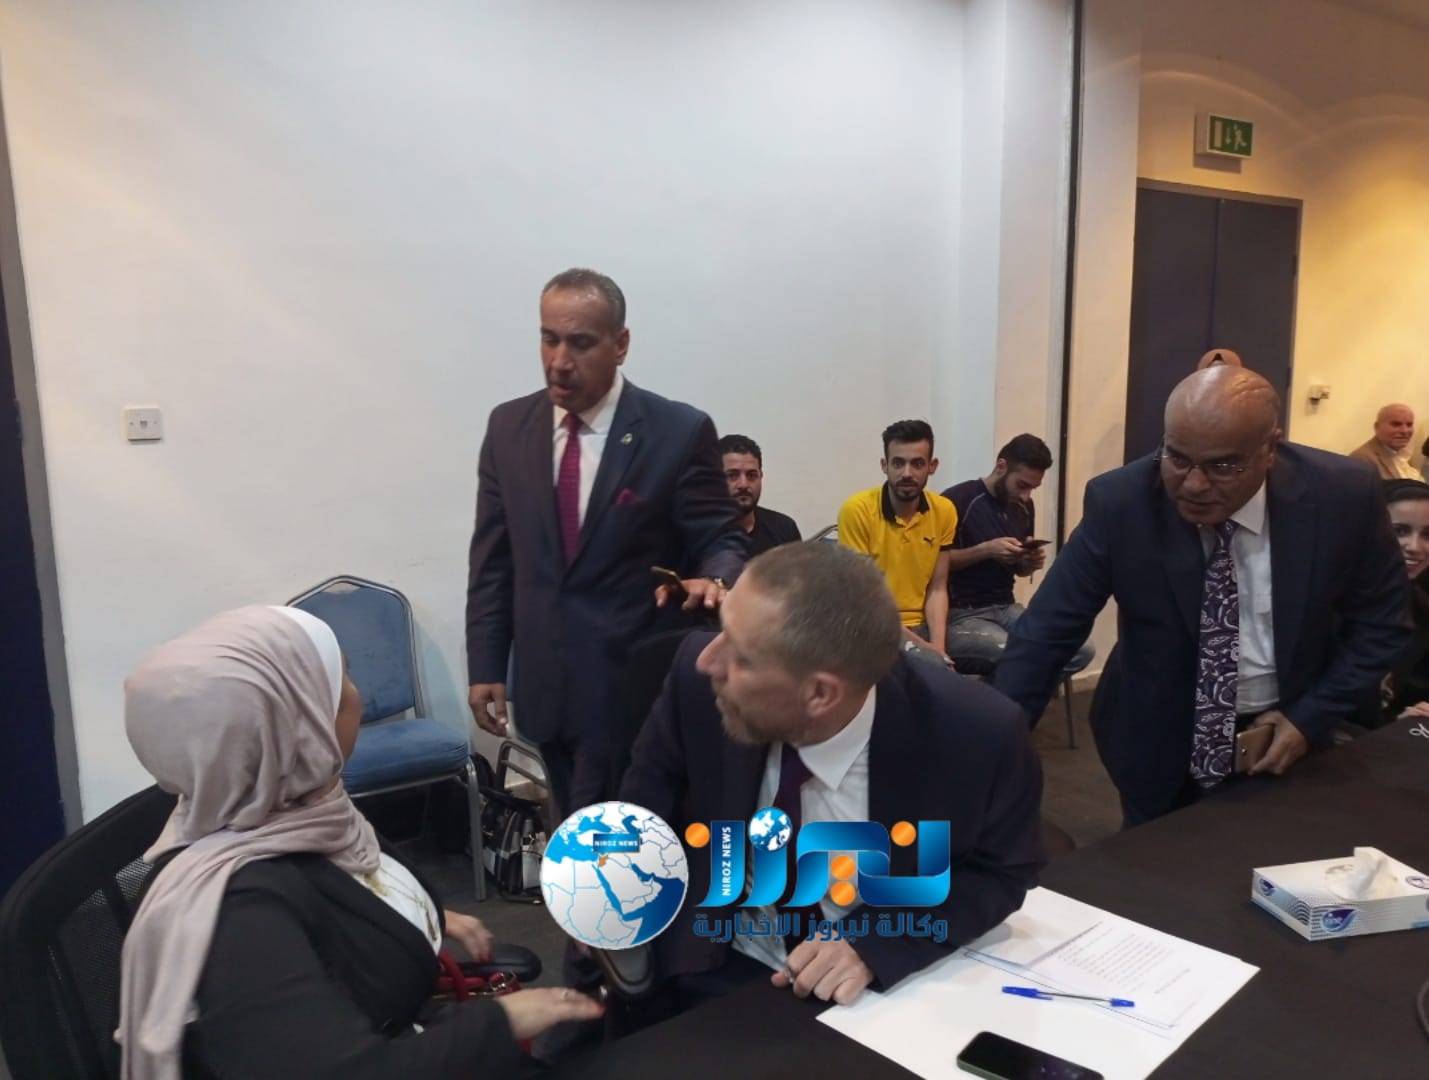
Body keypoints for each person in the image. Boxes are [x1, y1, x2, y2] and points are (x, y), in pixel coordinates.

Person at [117, 606, 601, 1079]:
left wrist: (422, 914)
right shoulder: (239, 915)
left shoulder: (301, 809)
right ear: (299, 724)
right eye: (340, 680)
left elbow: (342, 895)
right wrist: (502, 1020)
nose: (359, 697)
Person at [620, 543, 1043, 1015]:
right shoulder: (696, 681)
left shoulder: (976, 733)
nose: (708, 661)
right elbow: (640, 815)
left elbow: (1001, 872)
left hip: (871, 991)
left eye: (740, 655)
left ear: (820, 694)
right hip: (718, 959)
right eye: (722, 631)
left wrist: (872, 943)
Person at [995, 366, 1410, 826]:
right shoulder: (1122, 503)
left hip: (1290, 739)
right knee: (1155, 863)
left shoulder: (1342, 495)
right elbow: (1046, 634)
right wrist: (991, 750)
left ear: (1270, 448)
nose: (1193, 484)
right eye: (1176, 458)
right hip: (1155, 742)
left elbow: (1383, 625)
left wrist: (1310, 717)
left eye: (1222, 466)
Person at [466, 268, 748, 817]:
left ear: (620, 344)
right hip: (545, 687)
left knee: (626, 838)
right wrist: (486, 664)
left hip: (632, 688)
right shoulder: (508, 428)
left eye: (580, 343)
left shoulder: (677, 431)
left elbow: (721, 535)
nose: (559, 361)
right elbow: (494, 561)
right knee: (571, 826)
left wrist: (717, 579)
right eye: (549, 339)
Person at [941, 434, 1091, 672]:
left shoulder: (1024, 506)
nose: (1026, 496)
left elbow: (1019, 571)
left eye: (1033, 488)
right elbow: (932, 564)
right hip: (963, 613)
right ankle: (999, 694)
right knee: (1017, 655)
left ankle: (1016, 692)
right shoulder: (957, 500)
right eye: (1022, 485)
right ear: (1001, 467)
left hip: (1006, 606)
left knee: (1080, 649)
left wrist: (1027, 562)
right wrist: (986, 550)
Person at [837, 420, 957, 654]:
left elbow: (937, 588)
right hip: (873, 625)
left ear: (932, 466)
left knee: (1008, 652)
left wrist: (939, 648)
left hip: (924, 626)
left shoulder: (944, 511)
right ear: (885, 465)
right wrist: (927, 652)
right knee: (928, 667)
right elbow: (863, 599)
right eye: (898, 463)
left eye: (917, 464)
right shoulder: (857, 510)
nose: (907, 473)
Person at [1380, 479, 1429, 725]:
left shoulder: (1421, 608)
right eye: (1400, 531)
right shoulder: (1327, 601)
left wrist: (1418, 710)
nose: (1415, 547)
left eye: (1427, 535)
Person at [717, 433, 802, 556]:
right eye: (732, 475)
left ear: (761, 476)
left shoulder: (784, 528)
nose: (743, 484)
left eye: (751, 475)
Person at [1350, 403, 1420, 480]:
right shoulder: (1362, 459)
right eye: (1396, 424)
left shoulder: (1404, 453)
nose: (1405, 431)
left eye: (1409, 425)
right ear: (1377, 427)